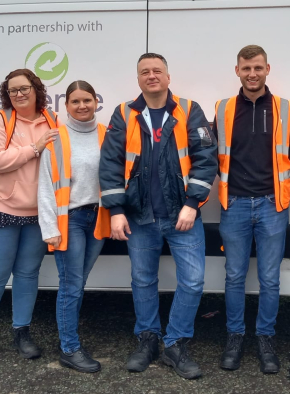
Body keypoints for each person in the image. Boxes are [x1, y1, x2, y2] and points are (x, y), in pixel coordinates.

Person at [99, 53, 218, 380]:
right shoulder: (124, 113)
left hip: (183, 216)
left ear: (168, 77)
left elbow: (206, 158)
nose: (151, 76)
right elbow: (110, 163)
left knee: (193, 281)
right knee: (143, 281)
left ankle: (175, 343)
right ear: (138, 79)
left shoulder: (189, 110)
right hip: (139, 216)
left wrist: (192, 203)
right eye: (145, 72)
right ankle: (148, 339)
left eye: (157, 71)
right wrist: (116, 210)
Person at [213, 45, 290, 374]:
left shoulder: (284, 108)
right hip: (234, 203)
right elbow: (212, 154)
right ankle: (235, 337)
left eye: (258, 68)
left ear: (267, 70)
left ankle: (266, 339)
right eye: (246, 68)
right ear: (237, 70)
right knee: (235, 276)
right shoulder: (223, 108)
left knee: (270, 279)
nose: (252, 74)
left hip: (271, 205)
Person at [0, 68, 59, 362]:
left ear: (36, 89)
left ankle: (22, 331)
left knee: (27, 275)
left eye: (24, 88)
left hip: (37, 214)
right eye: (12, 90)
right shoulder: (0, 120)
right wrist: (34, 148)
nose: (19, 94)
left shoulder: (52, 120)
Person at [38, 80, 111, 373]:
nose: (82, 106)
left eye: (87, 100)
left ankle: (68, 339)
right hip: (70, 220)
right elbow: (45, 186)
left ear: (96, 102)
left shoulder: (106, 134)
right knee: (71, 284)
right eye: (75, 101)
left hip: (98, 218)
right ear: (66, 105)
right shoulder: (56, 138)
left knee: (78, 283)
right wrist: (50, 228)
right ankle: (69, 348)